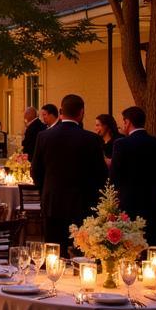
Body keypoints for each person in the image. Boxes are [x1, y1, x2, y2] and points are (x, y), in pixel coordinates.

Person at [31, 93, 108, 250]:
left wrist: (45, 188)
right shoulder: (91, 139)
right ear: (81, 113)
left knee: (54, 250)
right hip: (82, 203)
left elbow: (36, 171)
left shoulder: (44, 137)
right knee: (83, 251)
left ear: (60, 111)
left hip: (53, 201)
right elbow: (101, 174)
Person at [109, 106, 156, 245]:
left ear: (128, 122)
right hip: (154, 203)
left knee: (129, 246)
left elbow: (115, 175)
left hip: (129, 203)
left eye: (124, 122)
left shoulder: (121, 144)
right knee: (151, 243)